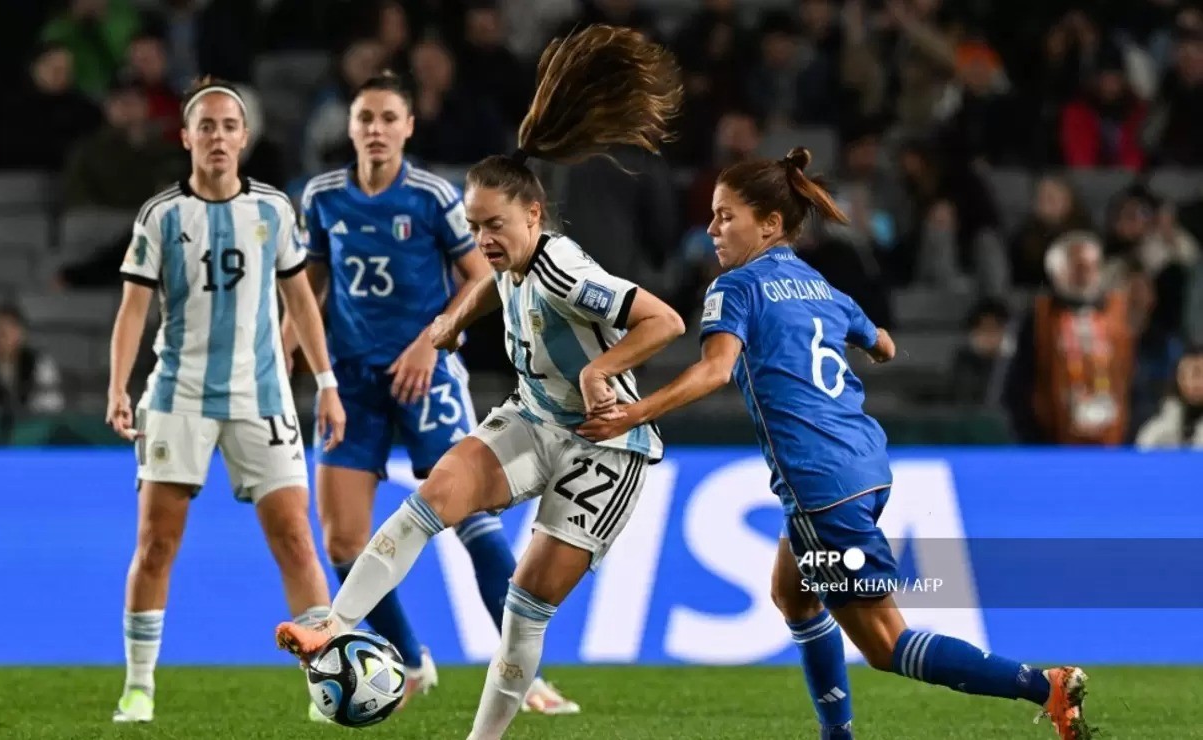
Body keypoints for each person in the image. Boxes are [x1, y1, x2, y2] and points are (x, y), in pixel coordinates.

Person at [577, 148, 1093, 740]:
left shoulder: (735, 288)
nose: (712, 228)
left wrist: (632, 414)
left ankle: (1045, 685)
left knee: (885, 643)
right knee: (792, 595)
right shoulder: (817, 283)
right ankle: (836, 736)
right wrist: (869, 346)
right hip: (864, 465)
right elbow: (886, 344)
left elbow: (715, 372)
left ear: (769, 223)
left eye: (726, 216)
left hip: (819, 480)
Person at [275, 24, 686, 739]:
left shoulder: (566, 269)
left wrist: (600, 370)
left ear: (534, 214)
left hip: (603, 446)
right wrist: (443, 326)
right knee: (430, 500)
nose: (484, 239)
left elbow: (665, 322)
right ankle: (332, 629)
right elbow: (487, 279)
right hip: (534, 417)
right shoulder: (507, 256)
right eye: (475, 226)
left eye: (495, 225)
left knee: (525, 607)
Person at [286, 70, 576, 714]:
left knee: (471, 515)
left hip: (428, 374)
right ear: (351, 127)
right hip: (353, 383)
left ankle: (522, 673)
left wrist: (429, 342)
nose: (377, 130)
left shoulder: (432, 197)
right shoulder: (323, 197)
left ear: (409, 127)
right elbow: (306, 291)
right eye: (366, 118)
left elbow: (481, 277)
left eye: (390, 118)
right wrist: (292, 364)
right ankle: (409, 661)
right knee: (340, 540)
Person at [105, 77, 346, 724]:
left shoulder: (273, 211)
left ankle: (323, 685)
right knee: (157, 543)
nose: (216, 136)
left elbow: (301, 300)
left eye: (228, 126)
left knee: (296, 538)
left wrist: (324, 385)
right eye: (204, 126)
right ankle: (139, 686)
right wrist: (119, 386)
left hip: (261, 397)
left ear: (245, 138)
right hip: (177, 396)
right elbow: (133, 311)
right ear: (186, 138)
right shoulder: (161, 215)